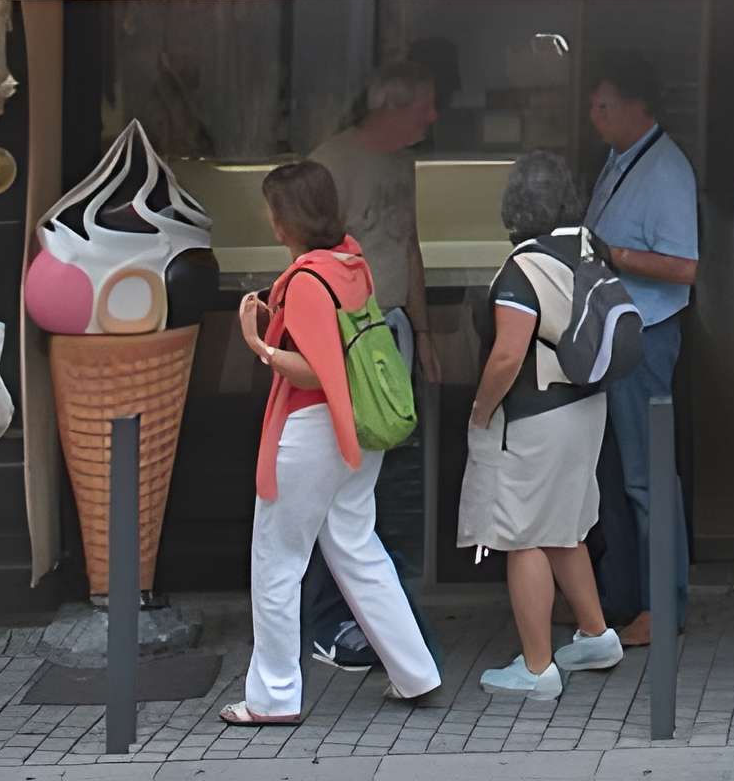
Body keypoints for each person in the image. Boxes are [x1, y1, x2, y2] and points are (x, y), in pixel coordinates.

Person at [223, 159, 438, 726]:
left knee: (276, 561)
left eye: (273, 209)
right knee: (356, 545)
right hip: (358, 432)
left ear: (285, 218)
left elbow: (318, 368)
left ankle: (272, 695)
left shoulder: (306, 280)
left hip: (313, 430)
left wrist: (258, 343)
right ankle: (415, 670)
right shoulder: (351, 262)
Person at [459, 150, 624, 700]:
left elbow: (507, 357)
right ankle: (597, 636)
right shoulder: (587, 244)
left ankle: (535, 669)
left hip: (536, 414)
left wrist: (481, 411)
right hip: (586, 406)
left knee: (523, 536)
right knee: (566, 525)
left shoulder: (521, 268)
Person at [304, 60, 443, 669]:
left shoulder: (399, 161)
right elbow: (313, 256)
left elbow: (407, 243)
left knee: (385, 477)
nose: (434, 118)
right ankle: (331, 619)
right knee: (343, 477)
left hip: (391, 331)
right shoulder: (334, 162)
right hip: (352, 337)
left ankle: (375, 608)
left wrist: (423, 325)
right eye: (425, 106)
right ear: (391, 104)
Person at [585, 57, 699, 639]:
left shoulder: (666, 170)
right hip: (615, 334)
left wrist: (616, 257)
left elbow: (685, 267)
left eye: (604, 105)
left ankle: (664, 604)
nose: (593, 115)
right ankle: (620, 596)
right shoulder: (621, 158)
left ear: (638, 107)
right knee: (613, 476)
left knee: (647, 477)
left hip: (646, 335)